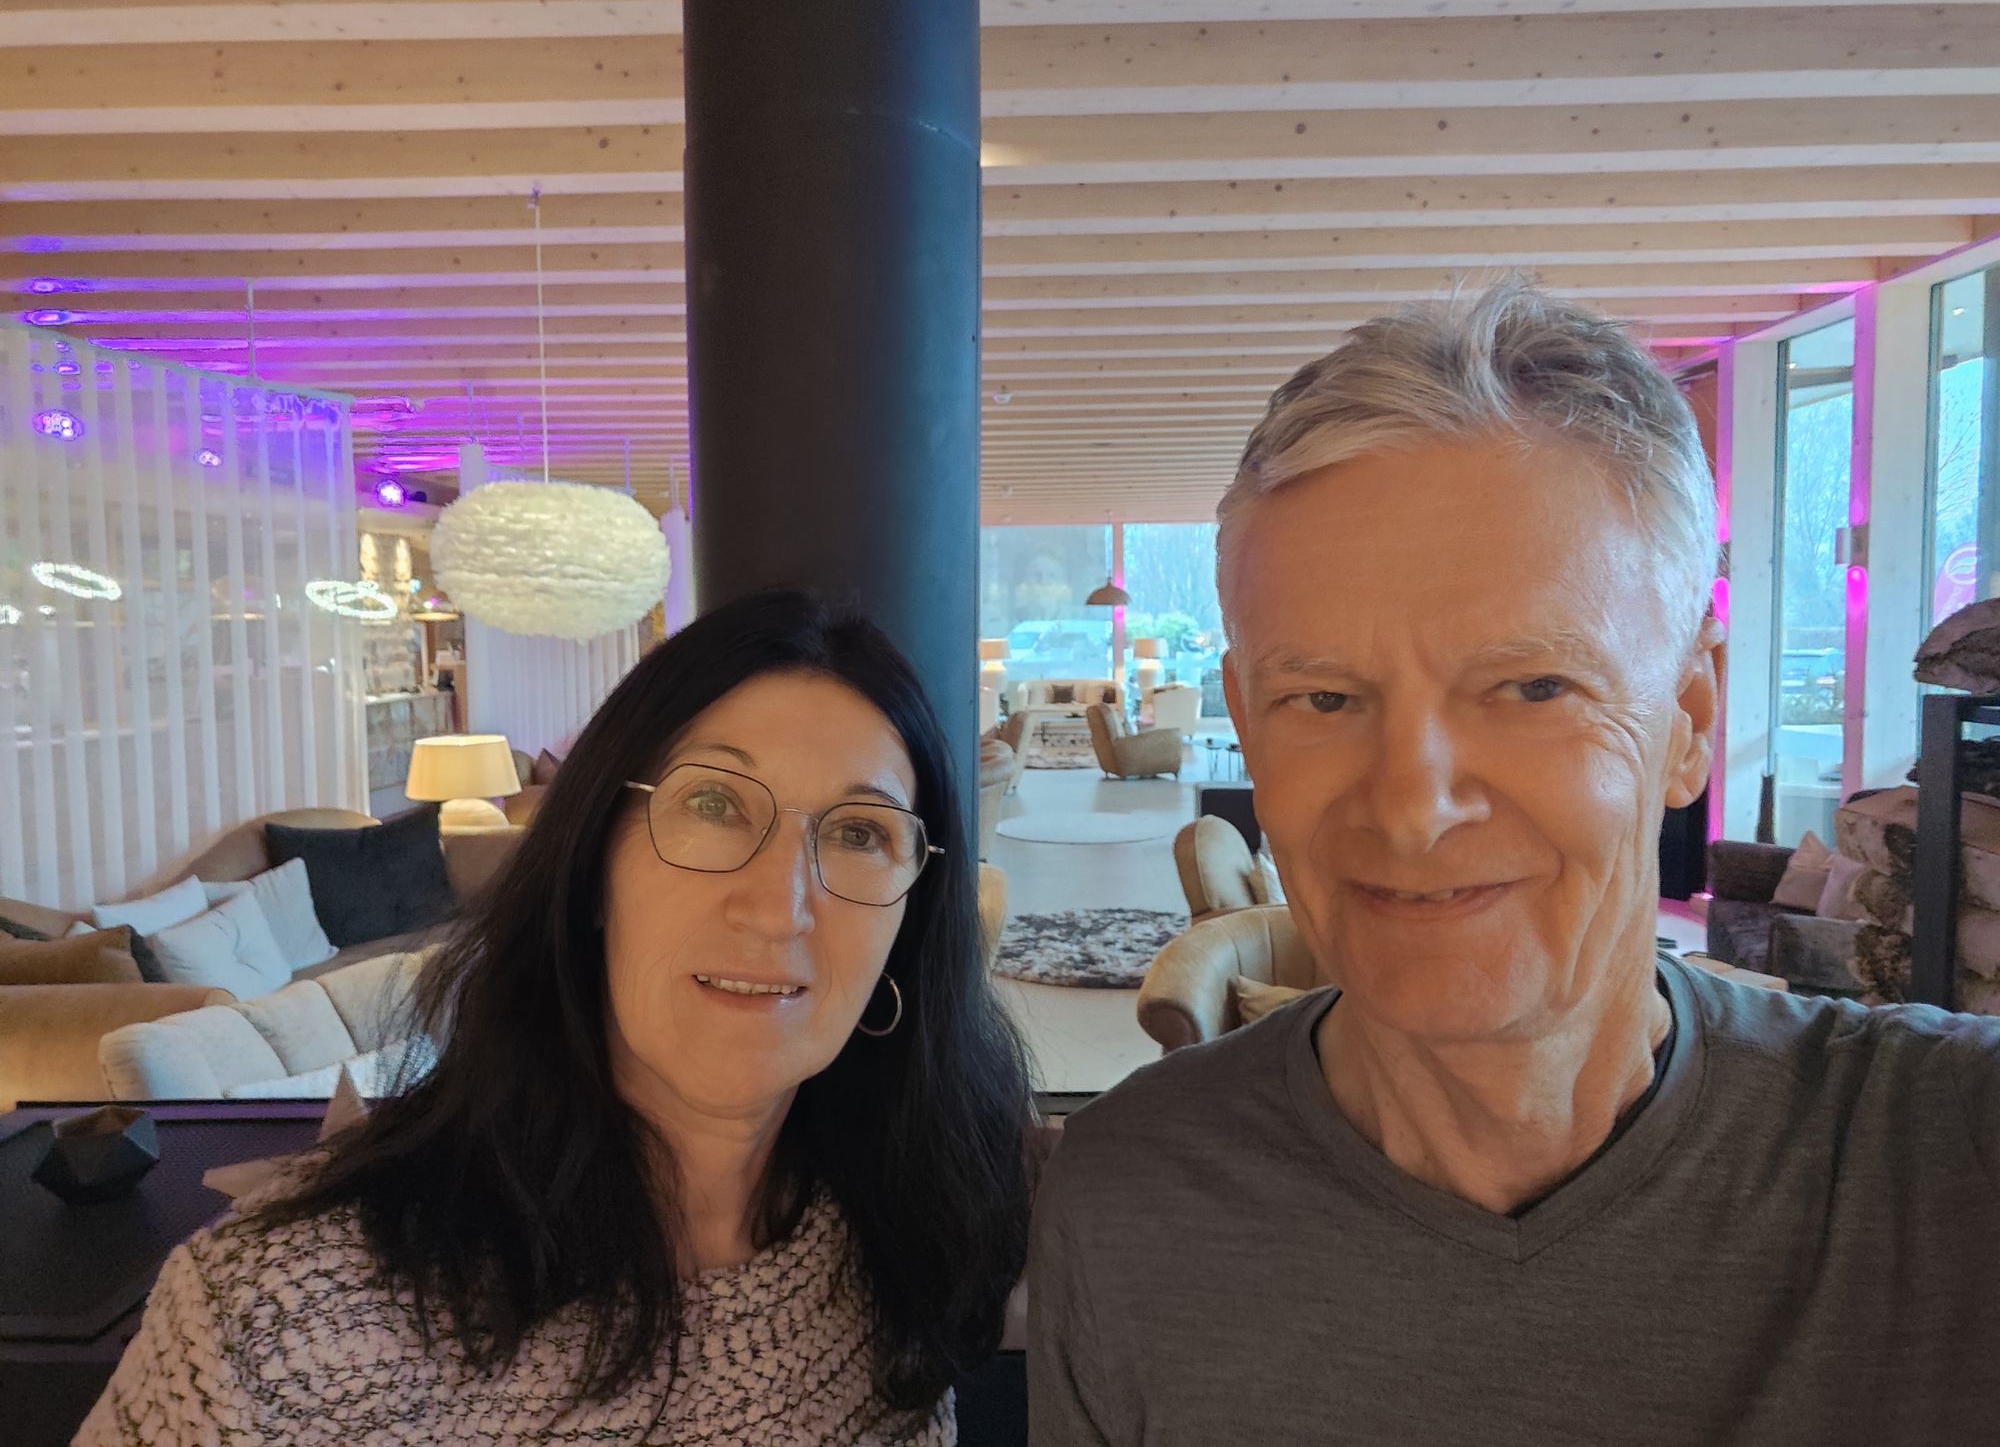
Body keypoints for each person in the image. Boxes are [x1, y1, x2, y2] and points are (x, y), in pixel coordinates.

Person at [1028, 281, 2000, 1445]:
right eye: (1323, 698)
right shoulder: (1130, 1201)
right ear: (1247, 720)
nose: (1411, 808)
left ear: (1687, 718)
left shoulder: (1947, 1163)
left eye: (1532, 687)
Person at [82, 589, 1035, 1446]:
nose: (778, 907)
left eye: (860, 832)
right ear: (593, 866)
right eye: (713, 803)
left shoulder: (905, 1230)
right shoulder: (277, 1320)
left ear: (909, 919)